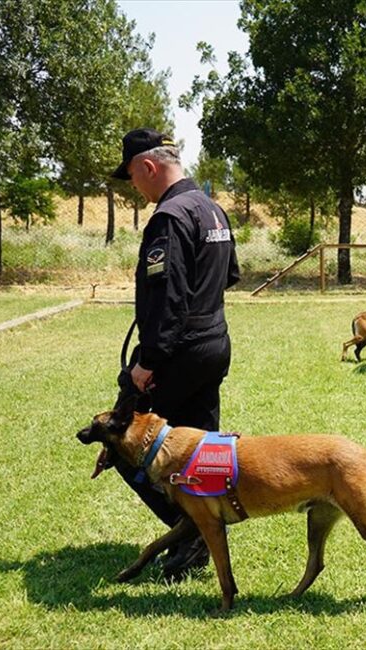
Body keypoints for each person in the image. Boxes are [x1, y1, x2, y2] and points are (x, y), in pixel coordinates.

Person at [106, 128, 241, 579]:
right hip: (214, 345)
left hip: (178, 352)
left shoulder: (168, 217)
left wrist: (147, 364)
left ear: (147, 166)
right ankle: (204, 532)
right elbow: (229, 277)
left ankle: (195, 536)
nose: (134, 189)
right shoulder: (212, 209)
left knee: (125, 443)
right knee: (203, 453)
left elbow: (169, 302)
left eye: (131, 177)